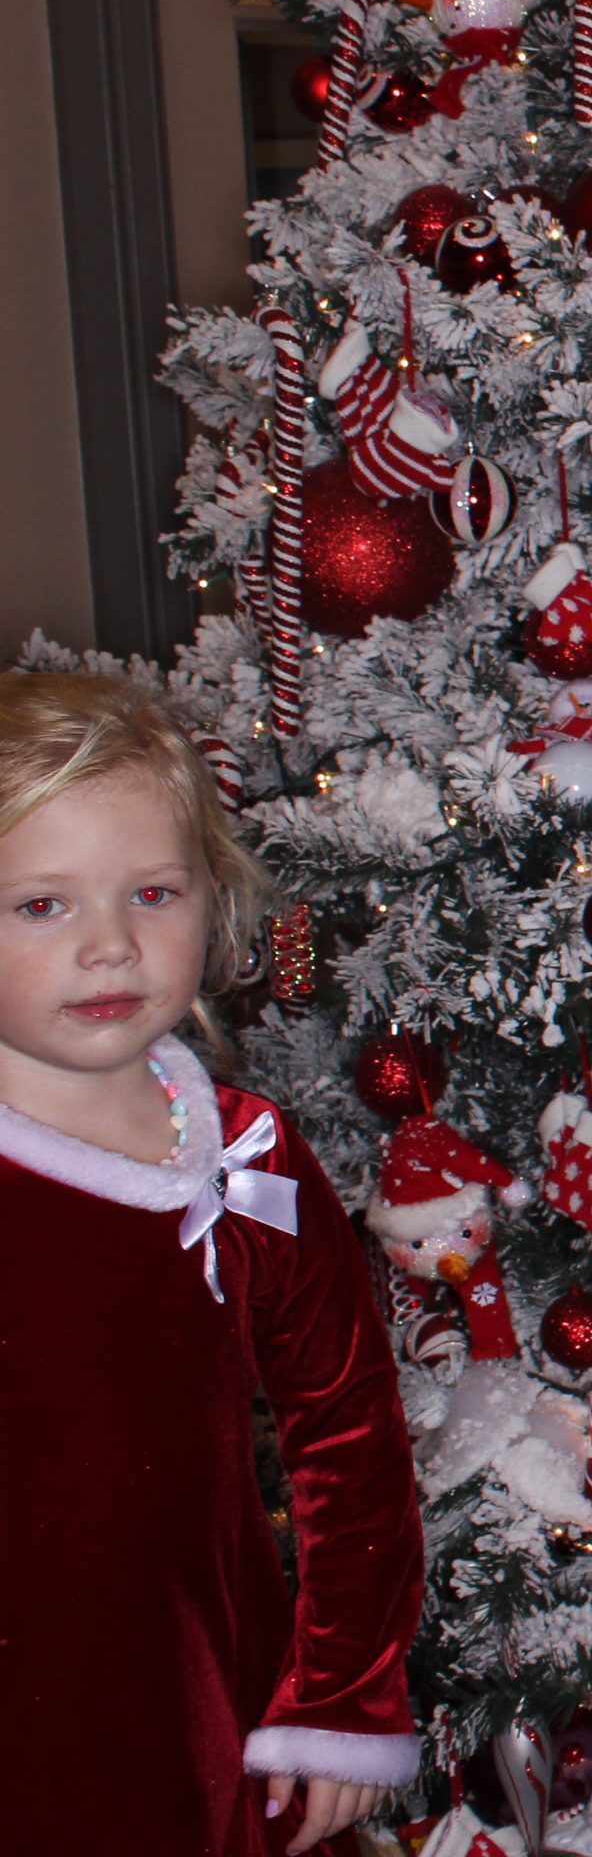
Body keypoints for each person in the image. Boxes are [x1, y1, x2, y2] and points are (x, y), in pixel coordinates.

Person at [0, 672, 425, 1854]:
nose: (110, 946)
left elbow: (350, 1431)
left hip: (202, 1716)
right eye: (41, 905)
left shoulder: (244, 1158)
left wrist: (343, 1694)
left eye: (152, 893)